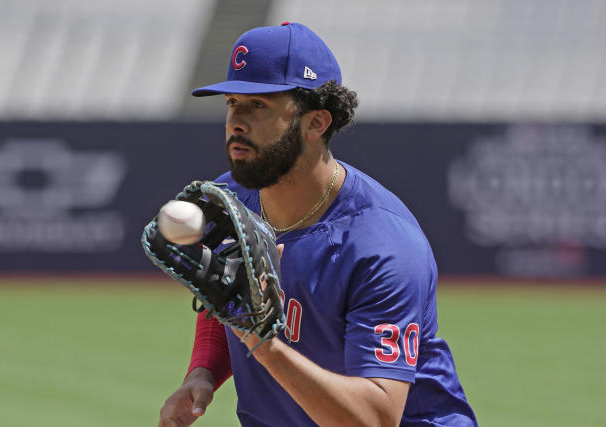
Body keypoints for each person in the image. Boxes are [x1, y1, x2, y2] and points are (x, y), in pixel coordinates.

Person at [159, 22, 477, 427]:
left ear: (316, 123)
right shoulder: (229, 203)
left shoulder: (381, 244)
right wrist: (201, 372)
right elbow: (225, 301)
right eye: (232, 102)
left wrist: (262, 341)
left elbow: (375, 419)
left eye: (259, 105)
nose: (236, 121)